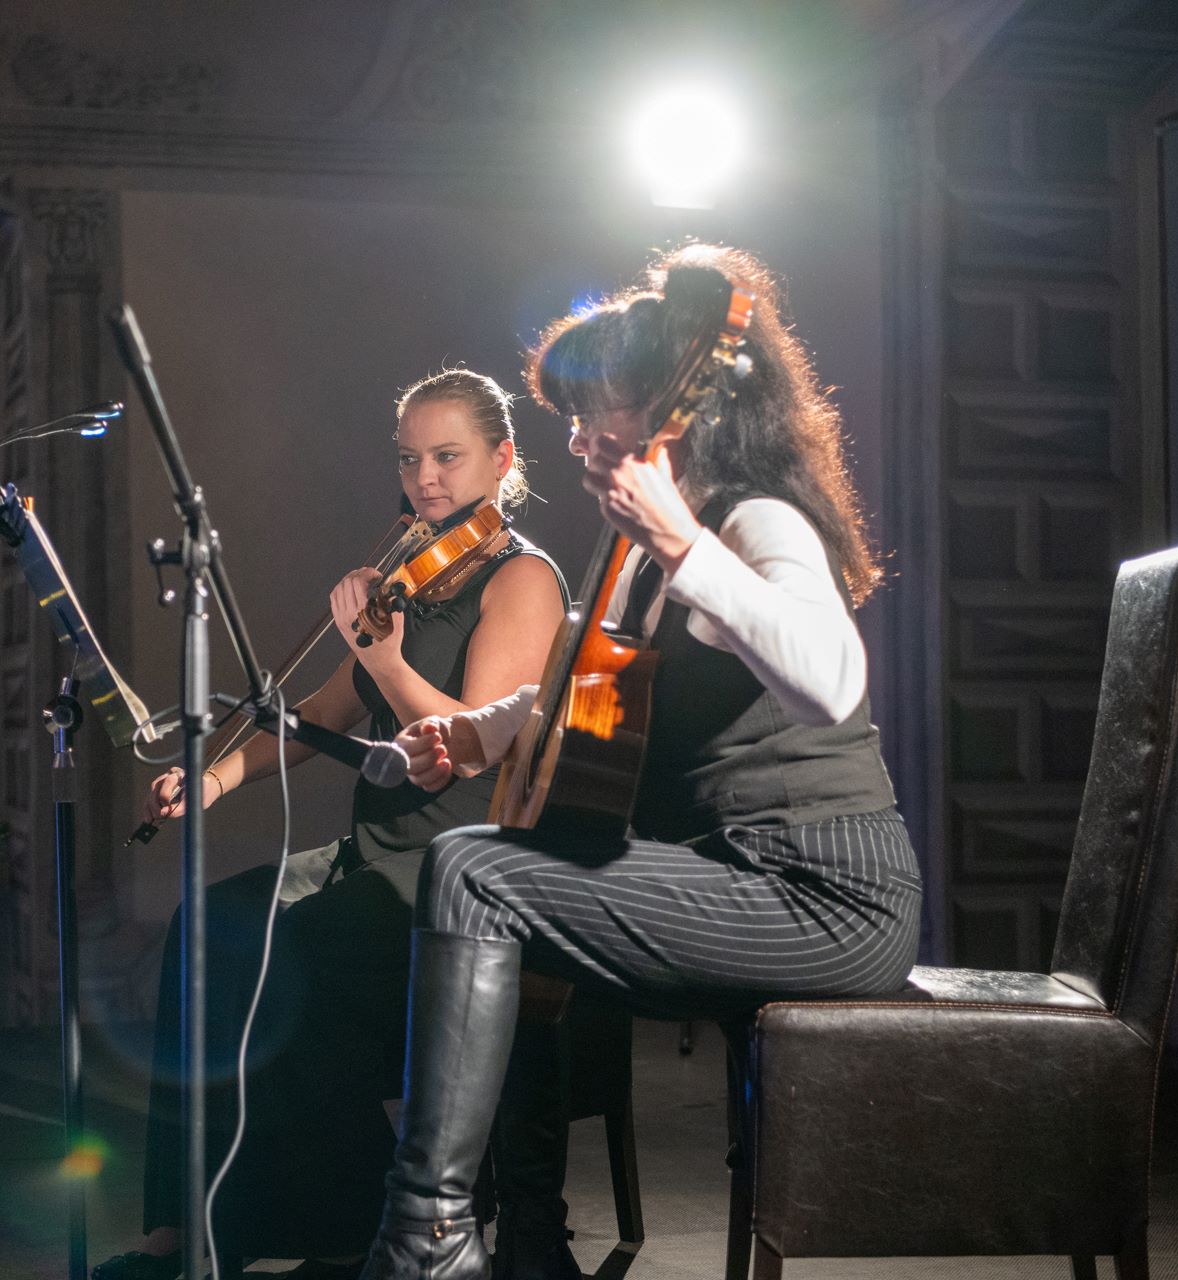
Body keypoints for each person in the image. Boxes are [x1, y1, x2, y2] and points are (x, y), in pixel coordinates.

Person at [353, 244, 923, 1280]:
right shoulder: (639, 558)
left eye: (592, 410)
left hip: (825, 894)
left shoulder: (754, 518)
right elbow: (589, 695)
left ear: (670, 408)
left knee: (475, 870)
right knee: (511, 879)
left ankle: (425, 1239)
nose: (575, 437)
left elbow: (834, 678)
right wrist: (479, 733)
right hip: (733, 873)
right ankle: (522, 1240)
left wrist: (685, 544)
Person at [96, 369, 567, 1280]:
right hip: (376, 850)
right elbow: (316, 716)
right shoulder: (410, 579)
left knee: (293, 962)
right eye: (409, 459)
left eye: (447, 456)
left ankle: (355, 1223)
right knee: (208, 929)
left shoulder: (521, 580)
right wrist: (216, 775)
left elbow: (466, 743)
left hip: (460, 867)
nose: (425, 478)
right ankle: (186, 1230)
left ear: (502, 459)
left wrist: (386, 661)